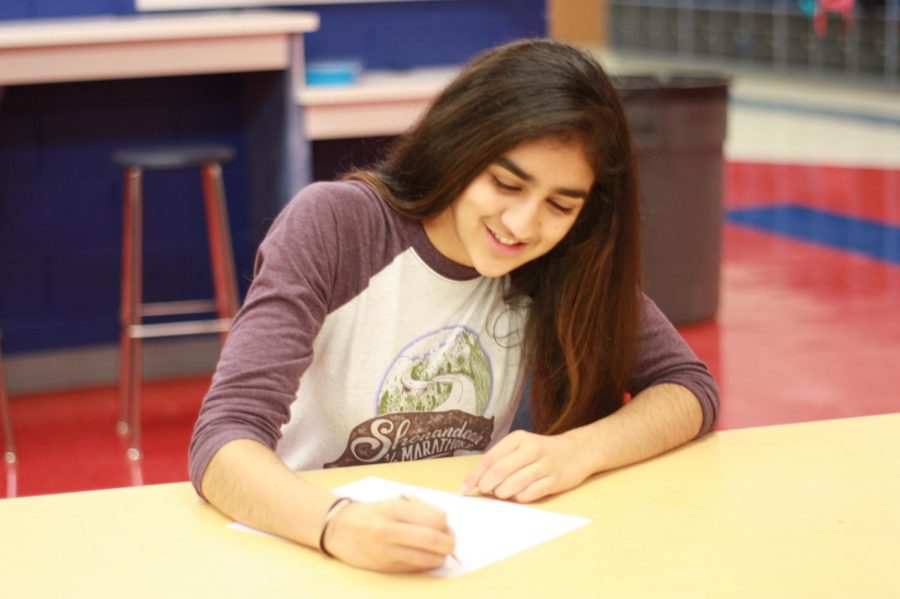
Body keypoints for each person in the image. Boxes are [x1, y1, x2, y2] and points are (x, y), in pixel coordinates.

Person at [189, 38, 719, 574]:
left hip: (451, 555)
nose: (522, 225)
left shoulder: (562, 258)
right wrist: (337, 524)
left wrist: (580, 450)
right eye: (506, 184)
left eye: (560, 205)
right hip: (301, 542)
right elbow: (223, 439)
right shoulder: (338, 225)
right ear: (459, 148)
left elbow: (688, 388)